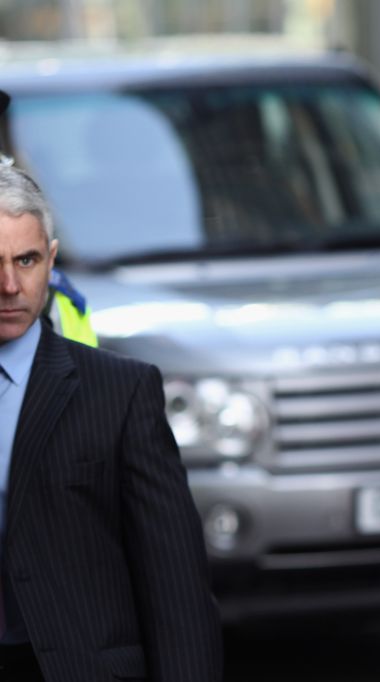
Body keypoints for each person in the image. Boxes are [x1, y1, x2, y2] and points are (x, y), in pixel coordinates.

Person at [0, 164, 221, 679]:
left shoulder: (122, 392)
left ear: (51, 261)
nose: (9, 284)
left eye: (26, 260)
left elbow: (175, 588)